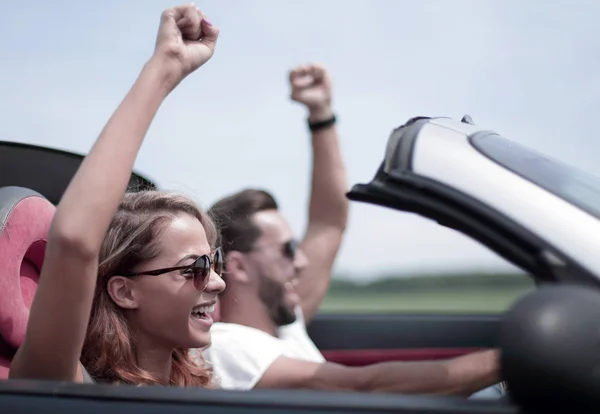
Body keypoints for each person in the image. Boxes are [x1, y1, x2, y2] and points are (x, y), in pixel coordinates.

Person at [200, 65, 502, 396]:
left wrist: (321, 115)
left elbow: (329, 223)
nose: (301, 262)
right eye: (287, 250)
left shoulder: (285, 322)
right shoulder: (228, 346)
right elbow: (361, 386)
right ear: (240, 266)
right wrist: (512, 361)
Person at [10, 3, 225, 386]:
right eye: (195, 268)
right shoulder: (66, 385)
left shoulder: (202, 380)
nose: (217, 282)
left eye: (214, 261)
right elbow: (75, 240)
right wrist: (165, 69)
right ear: (124, 291)